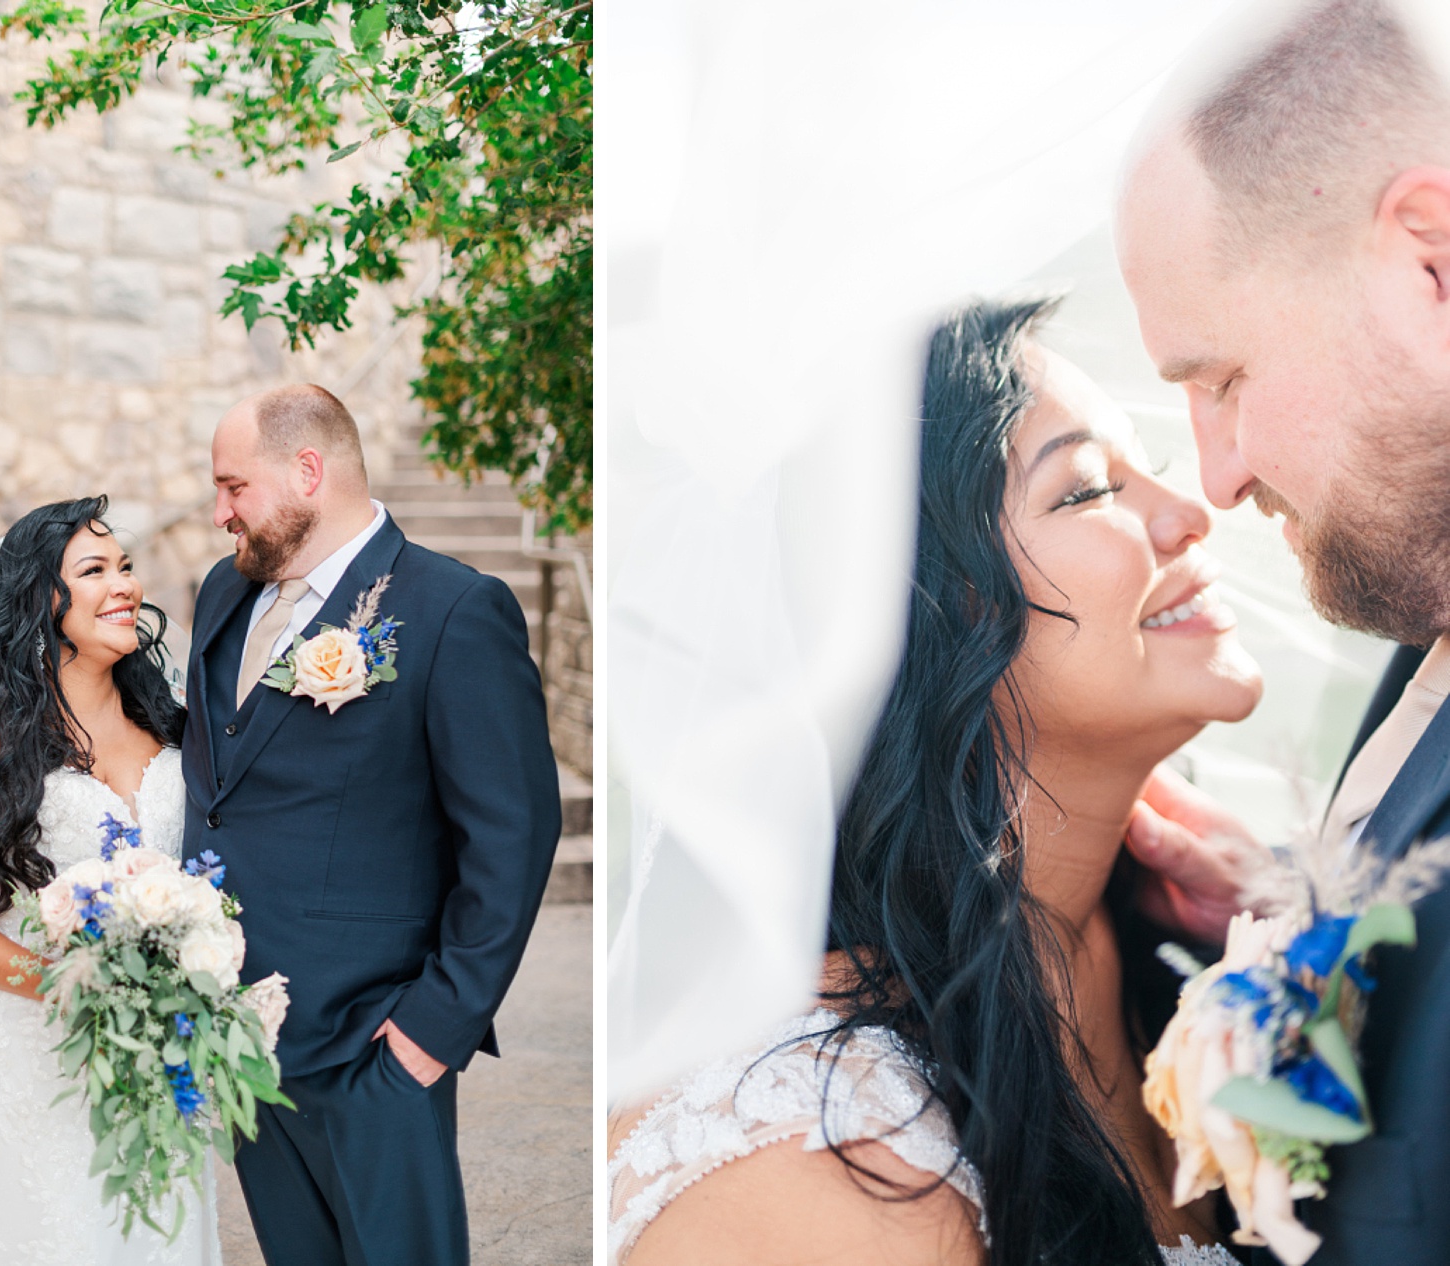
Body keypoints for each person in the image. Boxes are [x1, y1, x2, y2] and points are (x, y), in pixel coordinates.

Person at [607, 298, 1261, 1266]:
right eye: (1084, 490)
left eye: (1143, 470)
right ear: (910, 622)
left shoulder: (1194, 949)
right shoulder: (823, 1165)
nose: (1186, 514)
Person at [1117, 2, 1450, 1260]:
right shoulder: (1411, 643)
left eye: (1223, 380)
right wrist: (1303, 921)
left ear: (1429, 259)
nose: (1212, 478)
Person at [182, 383, 562, 1266]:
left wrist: (435, 1028)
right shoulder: (222, 596)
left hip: (373, 1046)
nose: (217, 514)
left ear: (307, 470)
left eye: (234, 488)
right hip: (241, 1035)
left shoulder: (454, 611)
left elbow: (512, 835)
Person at [0, 496, 220, 1263]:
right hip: (27, 1040)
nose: (125, 587)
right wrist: (62, 982)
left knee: (157, 1233)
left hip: (159, 1038)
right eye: (95, 570)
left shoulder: (170, 721)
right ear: (44, 598)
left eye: (127, 567)